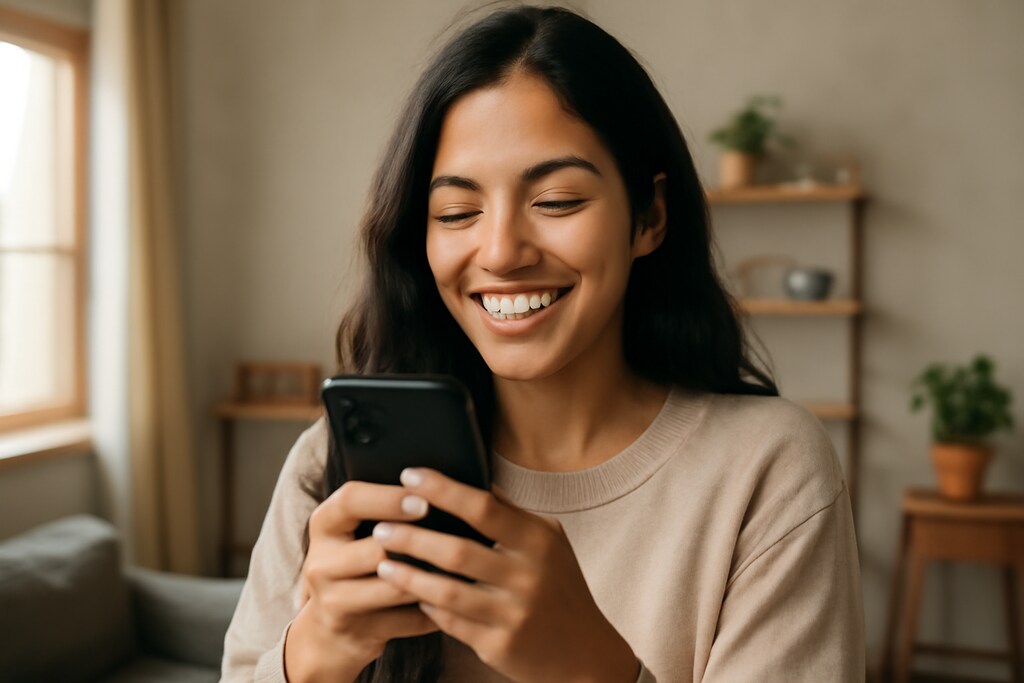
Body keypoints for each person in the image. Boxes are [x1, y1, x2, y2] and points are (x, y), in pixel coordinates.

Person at [222, 6, 864, 682]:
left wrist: (592, 667)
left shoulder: (767, 469)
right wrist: (313, 653)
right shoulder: (332, 466)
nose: (499, 252)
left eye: (557, 200)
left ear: (649, 216)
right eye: (457, 213)